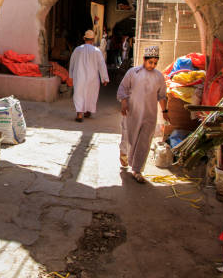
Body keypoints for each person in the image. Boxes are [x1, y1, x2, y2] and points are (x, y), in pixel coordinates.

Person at [117, 46, 169, 183]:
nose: (152, 65)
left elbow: (162, 96)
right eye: (150, 62)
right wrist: (124, 103)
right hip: (133, 112)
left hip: (149, 114)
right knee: (130, 137)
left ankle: (137, 169)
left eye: (155, 63)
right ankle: (124, 153)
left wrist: (165, 111)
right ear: (144, 60)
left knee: (145, 142)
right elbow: (123, 88)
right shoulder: (133, 72)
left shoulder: (159, 76)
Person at [69, 30, 109, 122]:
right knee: (90, 94)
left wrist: (70, 76)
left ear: (84, 38)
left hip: (79, 77)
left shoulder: (77, 49)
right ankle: (87, 111)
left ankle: (79, 114)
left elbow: (72, 64)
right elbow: (102, 65)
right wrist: (104, 78)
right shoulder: (97, 51)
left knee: (79, 94)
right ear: (93, 40)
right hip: (93, 78)